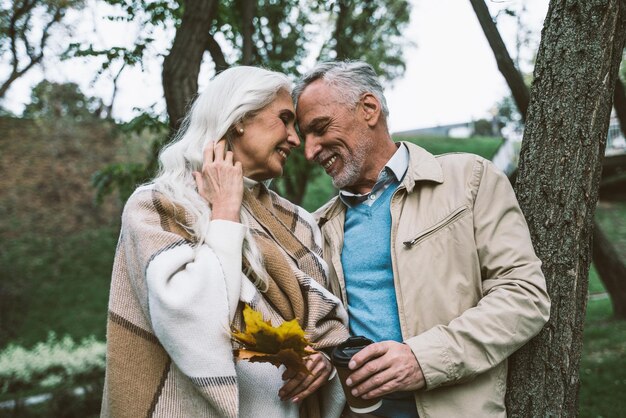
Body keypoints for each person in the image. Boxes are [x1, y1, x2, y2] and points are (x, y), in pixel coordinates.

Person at [292, 61, 551, 418]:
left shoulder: (470, 180)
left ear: (369, 109)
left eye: (319, 128)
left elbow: (525, 296)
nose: (309, 151)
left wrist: (421, 359)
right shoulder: (316, 227)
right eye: (304, 137)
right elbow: (322, 325)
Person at [100, 66, 350, 418]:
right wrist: (226, 212)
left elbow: (325, 326)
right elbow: (191, 319)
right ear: (239, 119)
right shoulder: (158, 206)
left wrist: (323, 361)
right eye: (284, 120)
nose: (296, 139)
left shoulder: (298, 222)